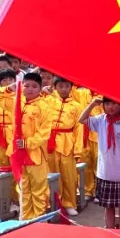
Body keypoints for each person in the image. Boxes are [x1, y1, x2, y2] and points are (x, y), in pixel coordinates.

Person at [80, 97, 120, 229]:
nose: (110, 107)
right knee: (108, 204)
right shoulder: (101, 120)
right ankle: (110, 228)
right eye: (107, 104)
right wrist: (92, 104)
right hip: (105, 171)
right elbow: (82, 119)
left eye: (114, 103)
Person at [9, 72, 52, 220]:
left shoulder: (44, 107)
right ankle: (26, 221)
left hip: (35, 155)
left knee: (39, 190)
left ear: (40, 88)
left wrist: (28, 143)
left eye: (34, 86)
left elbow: (45, 132)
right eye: (26, 85)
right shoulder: (16, 102)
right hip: (18, 154)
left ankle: (39, 222)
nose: (30, 89)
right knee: (23, 189)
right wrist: (9, 88)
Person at [43, 76, 84, 217]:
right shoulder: (48, 101)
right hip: (49, 142)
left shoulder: (77, 106)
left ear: (71, 87)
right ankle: (53, 203)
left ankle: (69, 203)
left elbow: (79, 128)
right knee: (52, 174)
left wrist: (78, 149)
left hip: (68, 142)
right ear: (55, 87)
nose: (64, 89)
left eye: (67, 86)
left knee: (69, 176)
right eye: (60, 86)